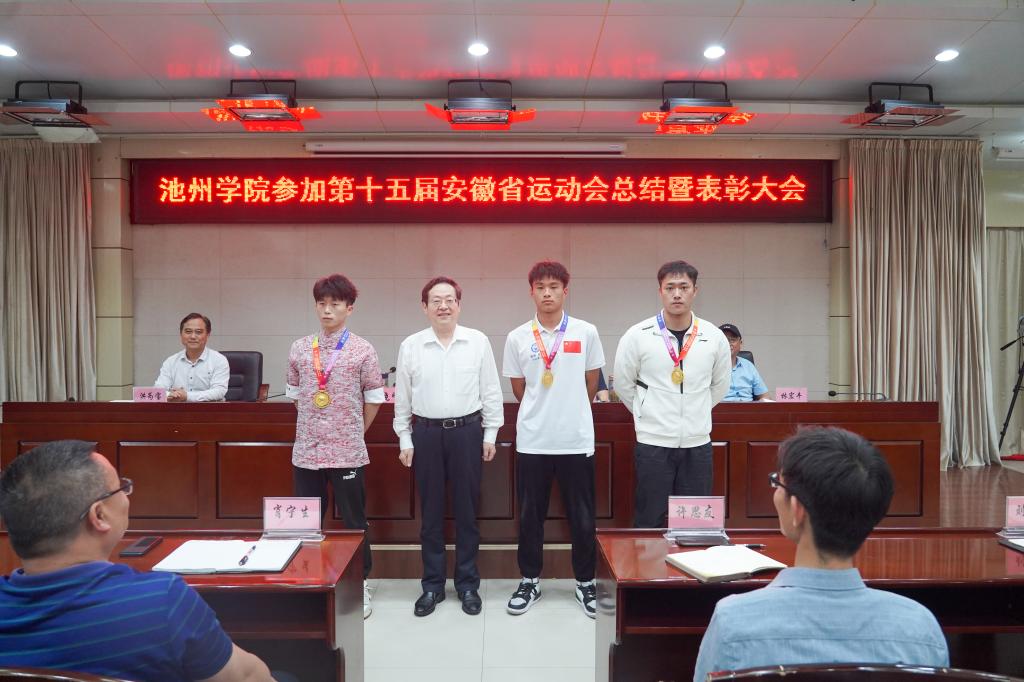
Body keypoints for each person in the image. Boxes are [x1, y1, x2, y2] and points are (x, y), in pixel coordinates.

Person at [0, 440, 274, 681]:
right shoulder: (162, 601)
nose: (126, 496)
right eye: (120, 488)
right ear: (99, 516)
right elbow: (250, 678)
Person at [693, 427, 949, 681]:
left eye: (778, 483)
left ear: (797, 510)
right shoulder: (920, 628)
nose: (775, 492)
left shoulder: (733, 621)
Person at [393, 276, 504, 617]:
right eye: (435, 300)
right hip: (426, 434)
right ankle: (432, 585)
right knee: (431, 514)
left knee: (467, 512)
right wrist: (404, 437)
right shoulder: (411, 345)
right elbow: (402, 398)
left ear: (459, 305)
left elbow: (490, 390)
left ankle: (468, 584)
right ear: (424, 307)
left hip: (466, 433)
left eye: (449, 300)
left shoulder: (477, 341)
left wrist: (490, 433)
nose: (443, 306)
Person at [502, 261, 604, 618]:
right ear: (531, 292)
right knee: (530, 515)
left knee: (583, 516)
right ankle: (529, 580)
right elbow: (519, 389)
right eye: (541, 287)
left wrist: (570, 410)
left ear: (565, 290)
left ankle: (585, 582)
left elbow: (592, 382)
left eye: (554, 287)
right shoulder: (517, 337)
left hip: (576, 440)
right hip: (533, 440)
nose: (547, 293)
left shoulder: (586, 332)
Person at [286, 274, 385, 619]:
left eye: (335, 304)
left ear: (349, 308)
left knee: (355, 521)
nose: (327, 310)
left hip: (347, 452)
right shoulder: (300, 348)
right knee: (306, 522)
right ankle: (307, 582)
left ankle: (360, 584)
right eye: (322, 303)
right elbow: (295, 396)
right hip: (307, 451)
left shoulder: (362, 349)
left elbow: (374, 399)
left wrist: (352, 432)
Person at [613, 260, 731, 528]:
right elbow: (623, 383)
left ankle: (693, 558)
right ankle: (649, 559)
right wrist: (647, 412)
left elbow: (720, 385)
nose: (677, 294)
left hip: (697, 443)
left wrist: (696, 411)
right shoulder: (637, 335)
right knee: (650, 519)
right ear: (660, 291)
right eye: (670, 288)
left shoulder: (713, 336)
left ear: (695, 291)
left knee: (694, 523)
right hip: (653, 442)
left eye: (684, 287)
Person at [154, 312, 230, 402]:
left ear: (208, 335)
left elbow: (219, 391)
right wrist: (170, 395)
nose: (193, 336)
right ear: (181, 334)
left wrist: (187, 396)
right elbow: (158, 390)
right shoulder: (171, 361)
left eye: (198, 332)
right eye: (188, 332)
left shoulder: (219, 360)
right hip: (177, 410)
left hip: (210, 410)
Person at [719, 323, 769, 402]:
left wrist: (764, 401)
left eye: (732, 340)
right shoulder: (710, 366)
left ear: (741, 343)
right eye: (724, 340)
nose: (728, 344)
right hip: (721, 408)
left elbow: (765, 396)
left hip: (748, 408)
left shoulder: (748, 366)